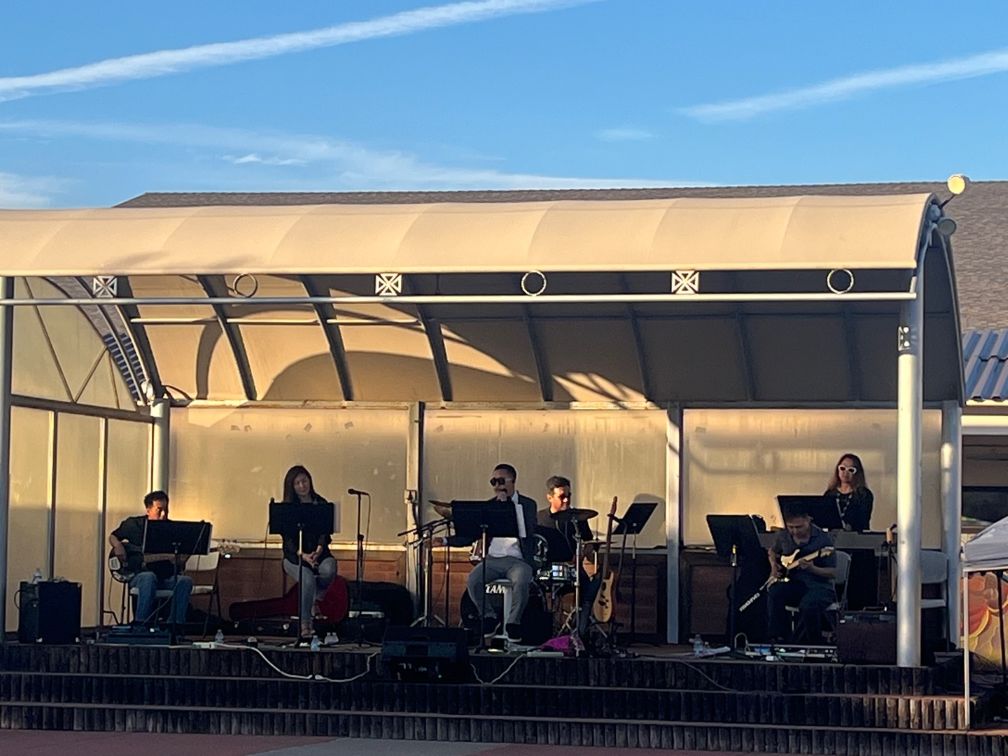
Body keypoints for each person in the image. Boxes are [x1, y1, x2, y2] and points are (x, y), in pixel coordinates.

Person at [451, 463, 538, 642]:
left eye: (501, 481)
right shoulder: (489, 506)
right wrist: (445, 541)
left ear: (512, 481)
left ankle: (513, 623)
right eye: (493, 482)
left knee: (522, 579)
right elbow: (472, 534)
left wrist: (507, 507)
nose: (497, 486)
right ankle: (489, 617)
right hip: (492, 559)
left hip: (518, 560)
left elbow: (528, 530)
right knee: (473, 580)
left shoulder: (528, 504)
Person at [109, 490, 193, 633]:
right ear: (148, 509)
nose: (163, 514)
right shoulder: (134, 524)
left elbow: (178, 559)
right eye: (159, 510)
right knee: (148, 577)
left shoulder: (172, 529)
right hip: (138, 576)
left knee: (185, 581)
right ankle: (141, 624)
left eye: (166, 510)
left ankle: (175, 626)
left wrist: (181, 558)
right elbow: (113, 536)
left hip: (164, 577)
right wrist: (118, 545)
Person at [280, 465, 338, 638]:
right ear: (292, 486)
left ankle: (317, 597)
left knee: (330, 568)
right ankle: (305, 623)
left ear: (310, 481)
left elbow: (324, 534)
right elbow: (288, 541)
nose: (302, 486)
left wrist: (318, 551)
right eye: (297, 483)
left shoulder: (321, 503)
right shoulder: (287, 508)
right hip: (294, 557)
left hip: (319, 554)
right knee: (307, 579)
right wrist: (303, 555)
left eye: (304, 481)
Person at [766, 502, 837, 644]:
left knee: (808, 606)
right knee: (774, 592)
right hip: (795, 584)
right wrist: (774, 566)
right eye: (791, 527)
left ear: (808, 520)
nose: (794, 531)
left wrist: (812, 569)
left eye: (799, 527)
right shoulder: (783, 535)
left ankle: (812, 644)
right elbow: (772, 551)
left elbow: (833, 572)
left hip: (819, 586)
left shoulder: (823, 539)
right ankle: (779, 639)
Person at [537, 475, 598, 634]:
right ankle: (541, 628)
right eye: (562, 496)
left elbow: (589, 543)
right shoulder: (539, 518)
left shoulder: (578, 518)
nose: (566, 500)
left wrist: (582, 554)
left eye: (569, 496)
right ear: (550, 497)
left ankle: (581, 627)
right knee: (533, 589)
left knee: (589, 586)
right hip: (546, 569)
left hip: (572, 567)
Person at [825, 453, 874, 532]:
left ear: (857, 473)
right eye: (842, 468)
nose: (845, 472)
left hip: (856, 537)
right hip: (833, 536)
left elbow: (863, 521)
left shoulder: (864, 494)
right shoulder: (830, 493)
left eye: (851, 470)